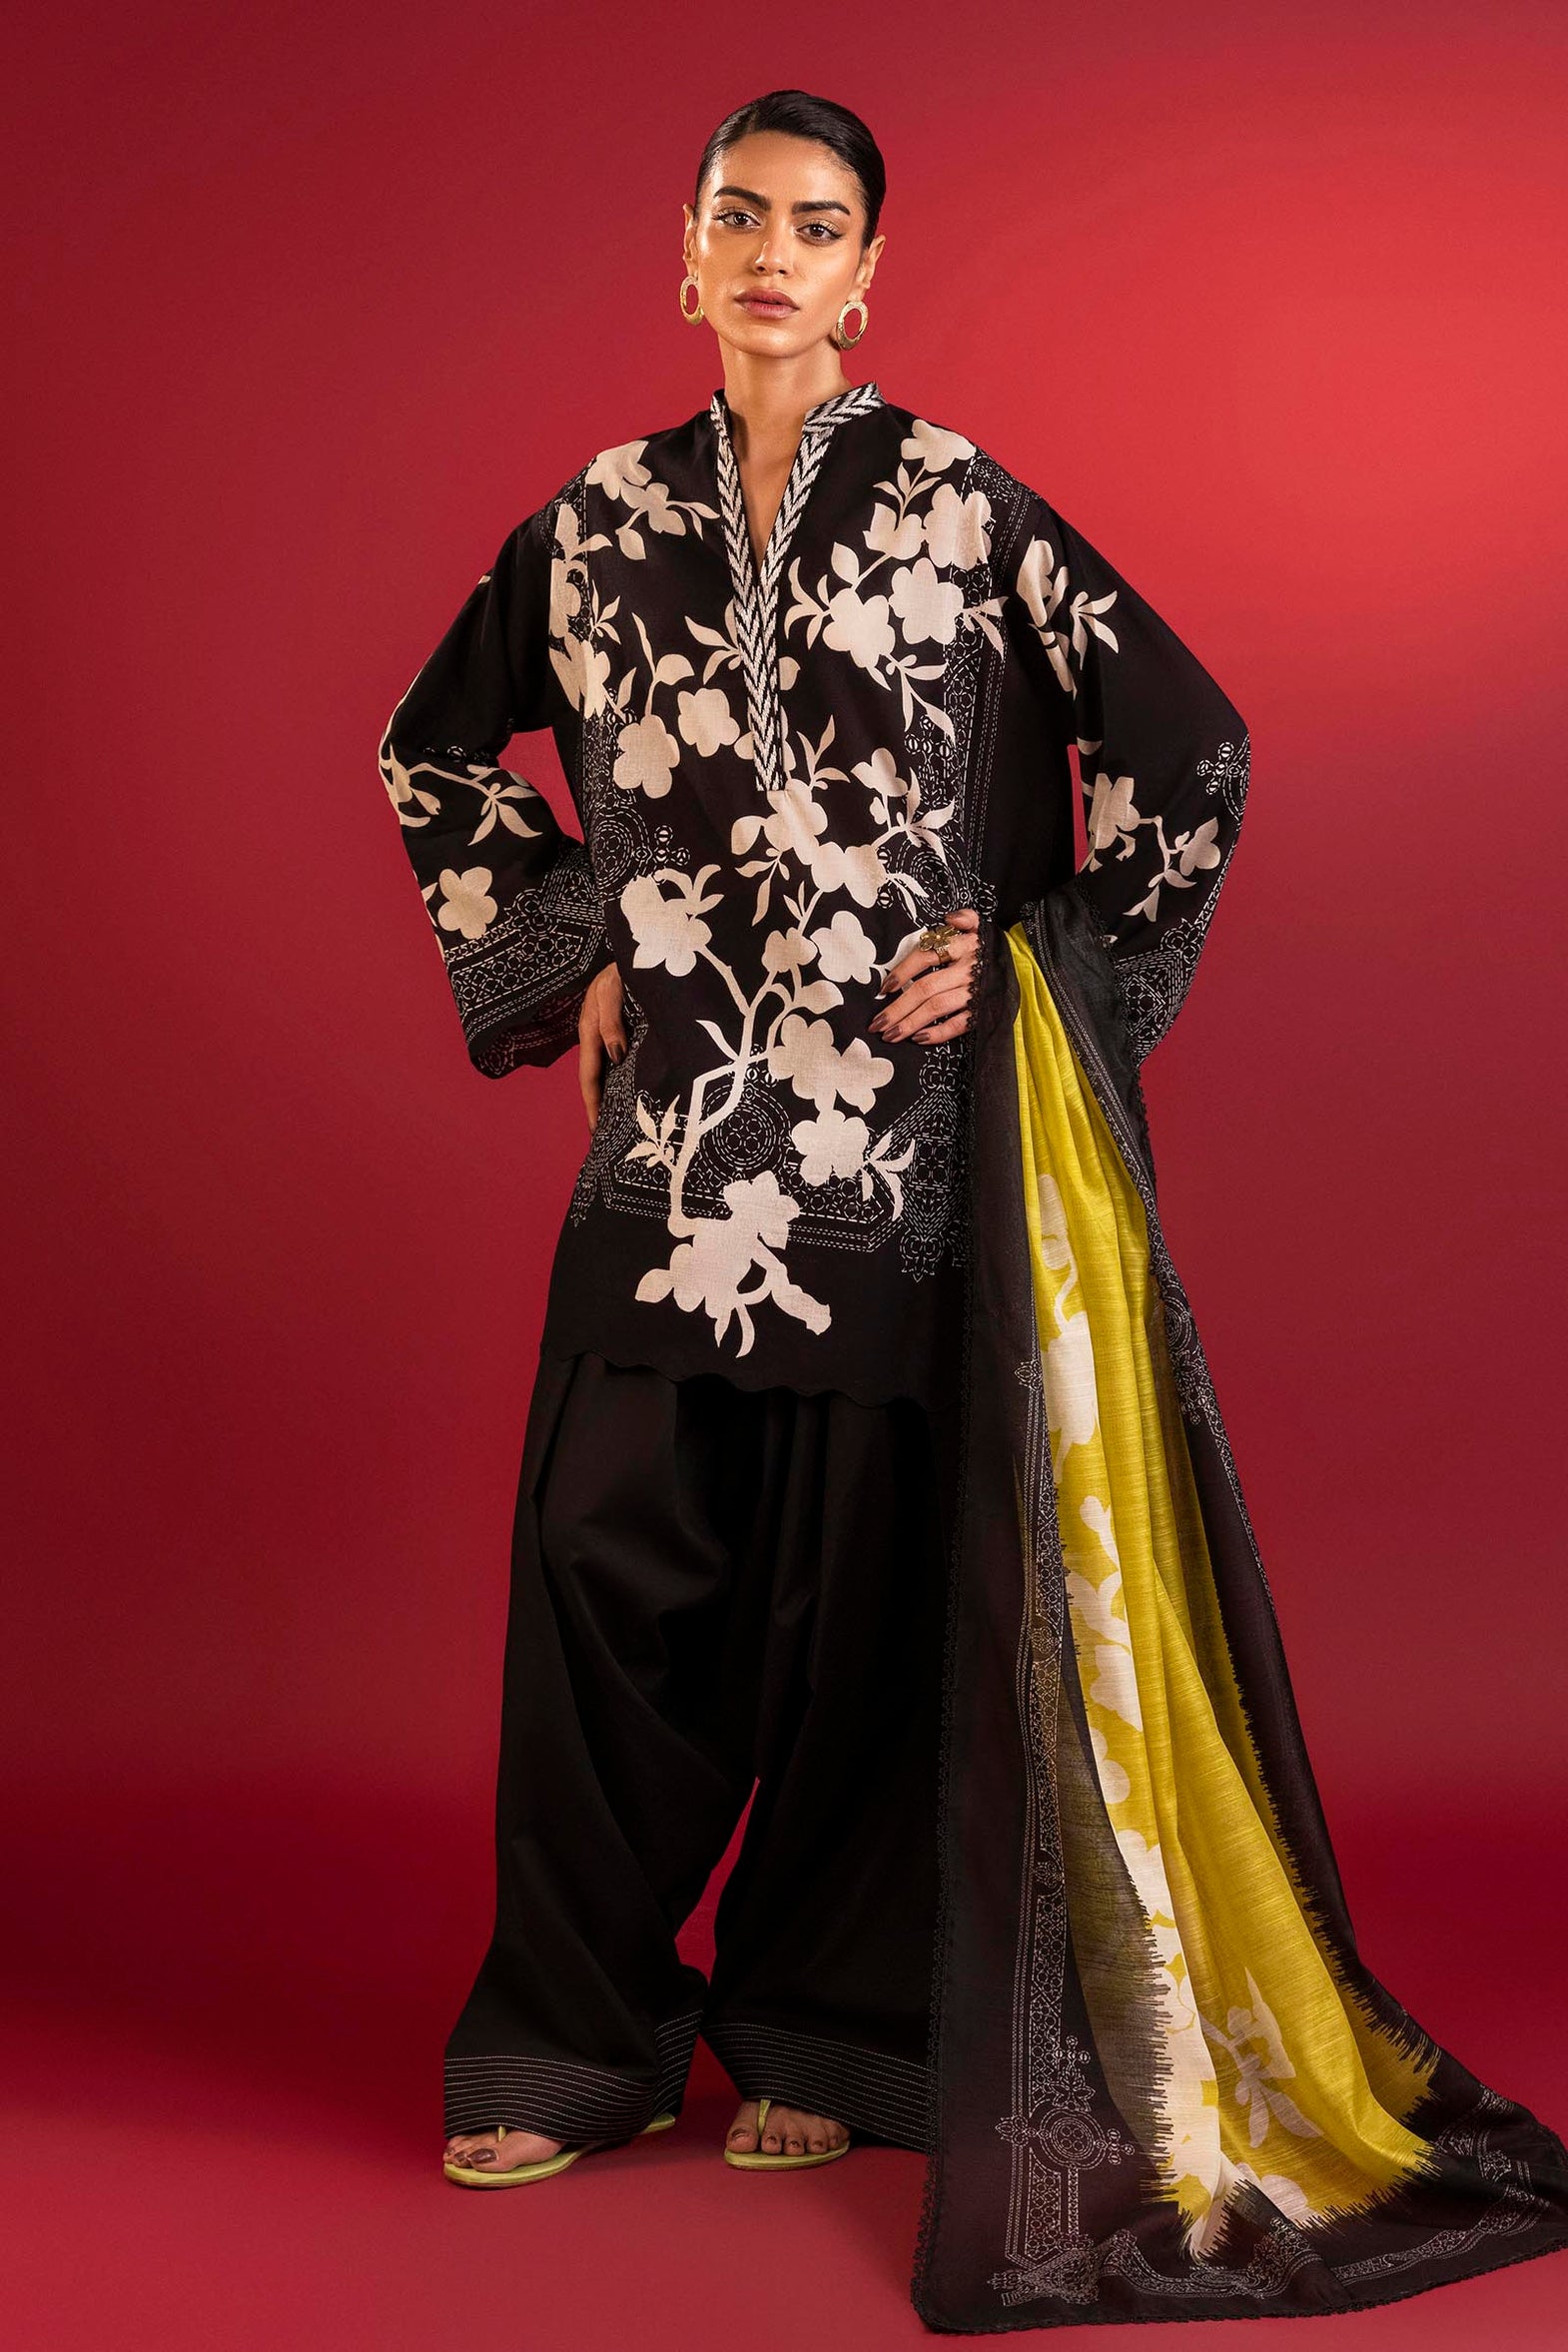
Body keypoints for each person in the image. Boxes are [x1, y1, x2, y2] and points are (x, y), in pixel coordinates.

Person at [378, 87, 1568, 2333]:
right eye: (738, 213)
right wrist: (565, 942)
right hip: (671, 1151)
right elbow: (430, 747)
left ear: (865, 274)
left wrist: (1034, 956)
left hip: (895, 1155)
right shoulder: (592, 524)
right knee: (604, 1584)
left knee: (856, 1608)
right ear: (684, 251)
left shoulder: (958, 505)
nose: (772, 252)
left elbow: (1186, 749)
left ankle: (821, 2030)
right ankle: (571, 2037)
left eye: (816, 224)